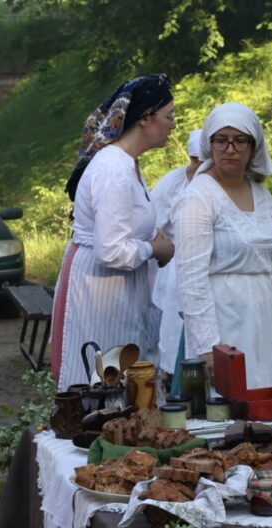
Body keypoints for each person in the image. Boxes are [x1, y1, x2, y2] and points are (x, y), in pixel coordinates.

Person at [49, 74, 176, 387]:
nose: (173, 124)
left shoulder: (127, 164)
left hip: (118, 288)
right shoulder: (113, 169)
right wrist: (154, 249)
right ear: (145, 118)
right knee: (97, 382)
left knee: (120, 380)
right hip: (97, 290)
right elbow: (111, 250)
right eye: (169, 116)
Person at [174, 103, 272, 390]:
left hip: (262, 322)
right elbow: (191, 277)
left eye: (240, 141)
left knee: (262, 406)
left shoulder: (262, 196)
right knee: (227, 409)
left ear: (253, 147)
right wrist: (208, 347)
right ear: (209, 145)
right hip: (223, 322)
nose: (230, 149)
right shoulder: (199, 197)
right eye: (221, 140)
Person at [151, 130, 203, 380]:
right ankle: (175, 379)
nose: (198, 167)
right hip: (176, 265)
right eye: (194, 160)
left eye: (203, 161)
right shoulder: (171, 184)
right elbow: (151, 224)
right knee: (174, 330)